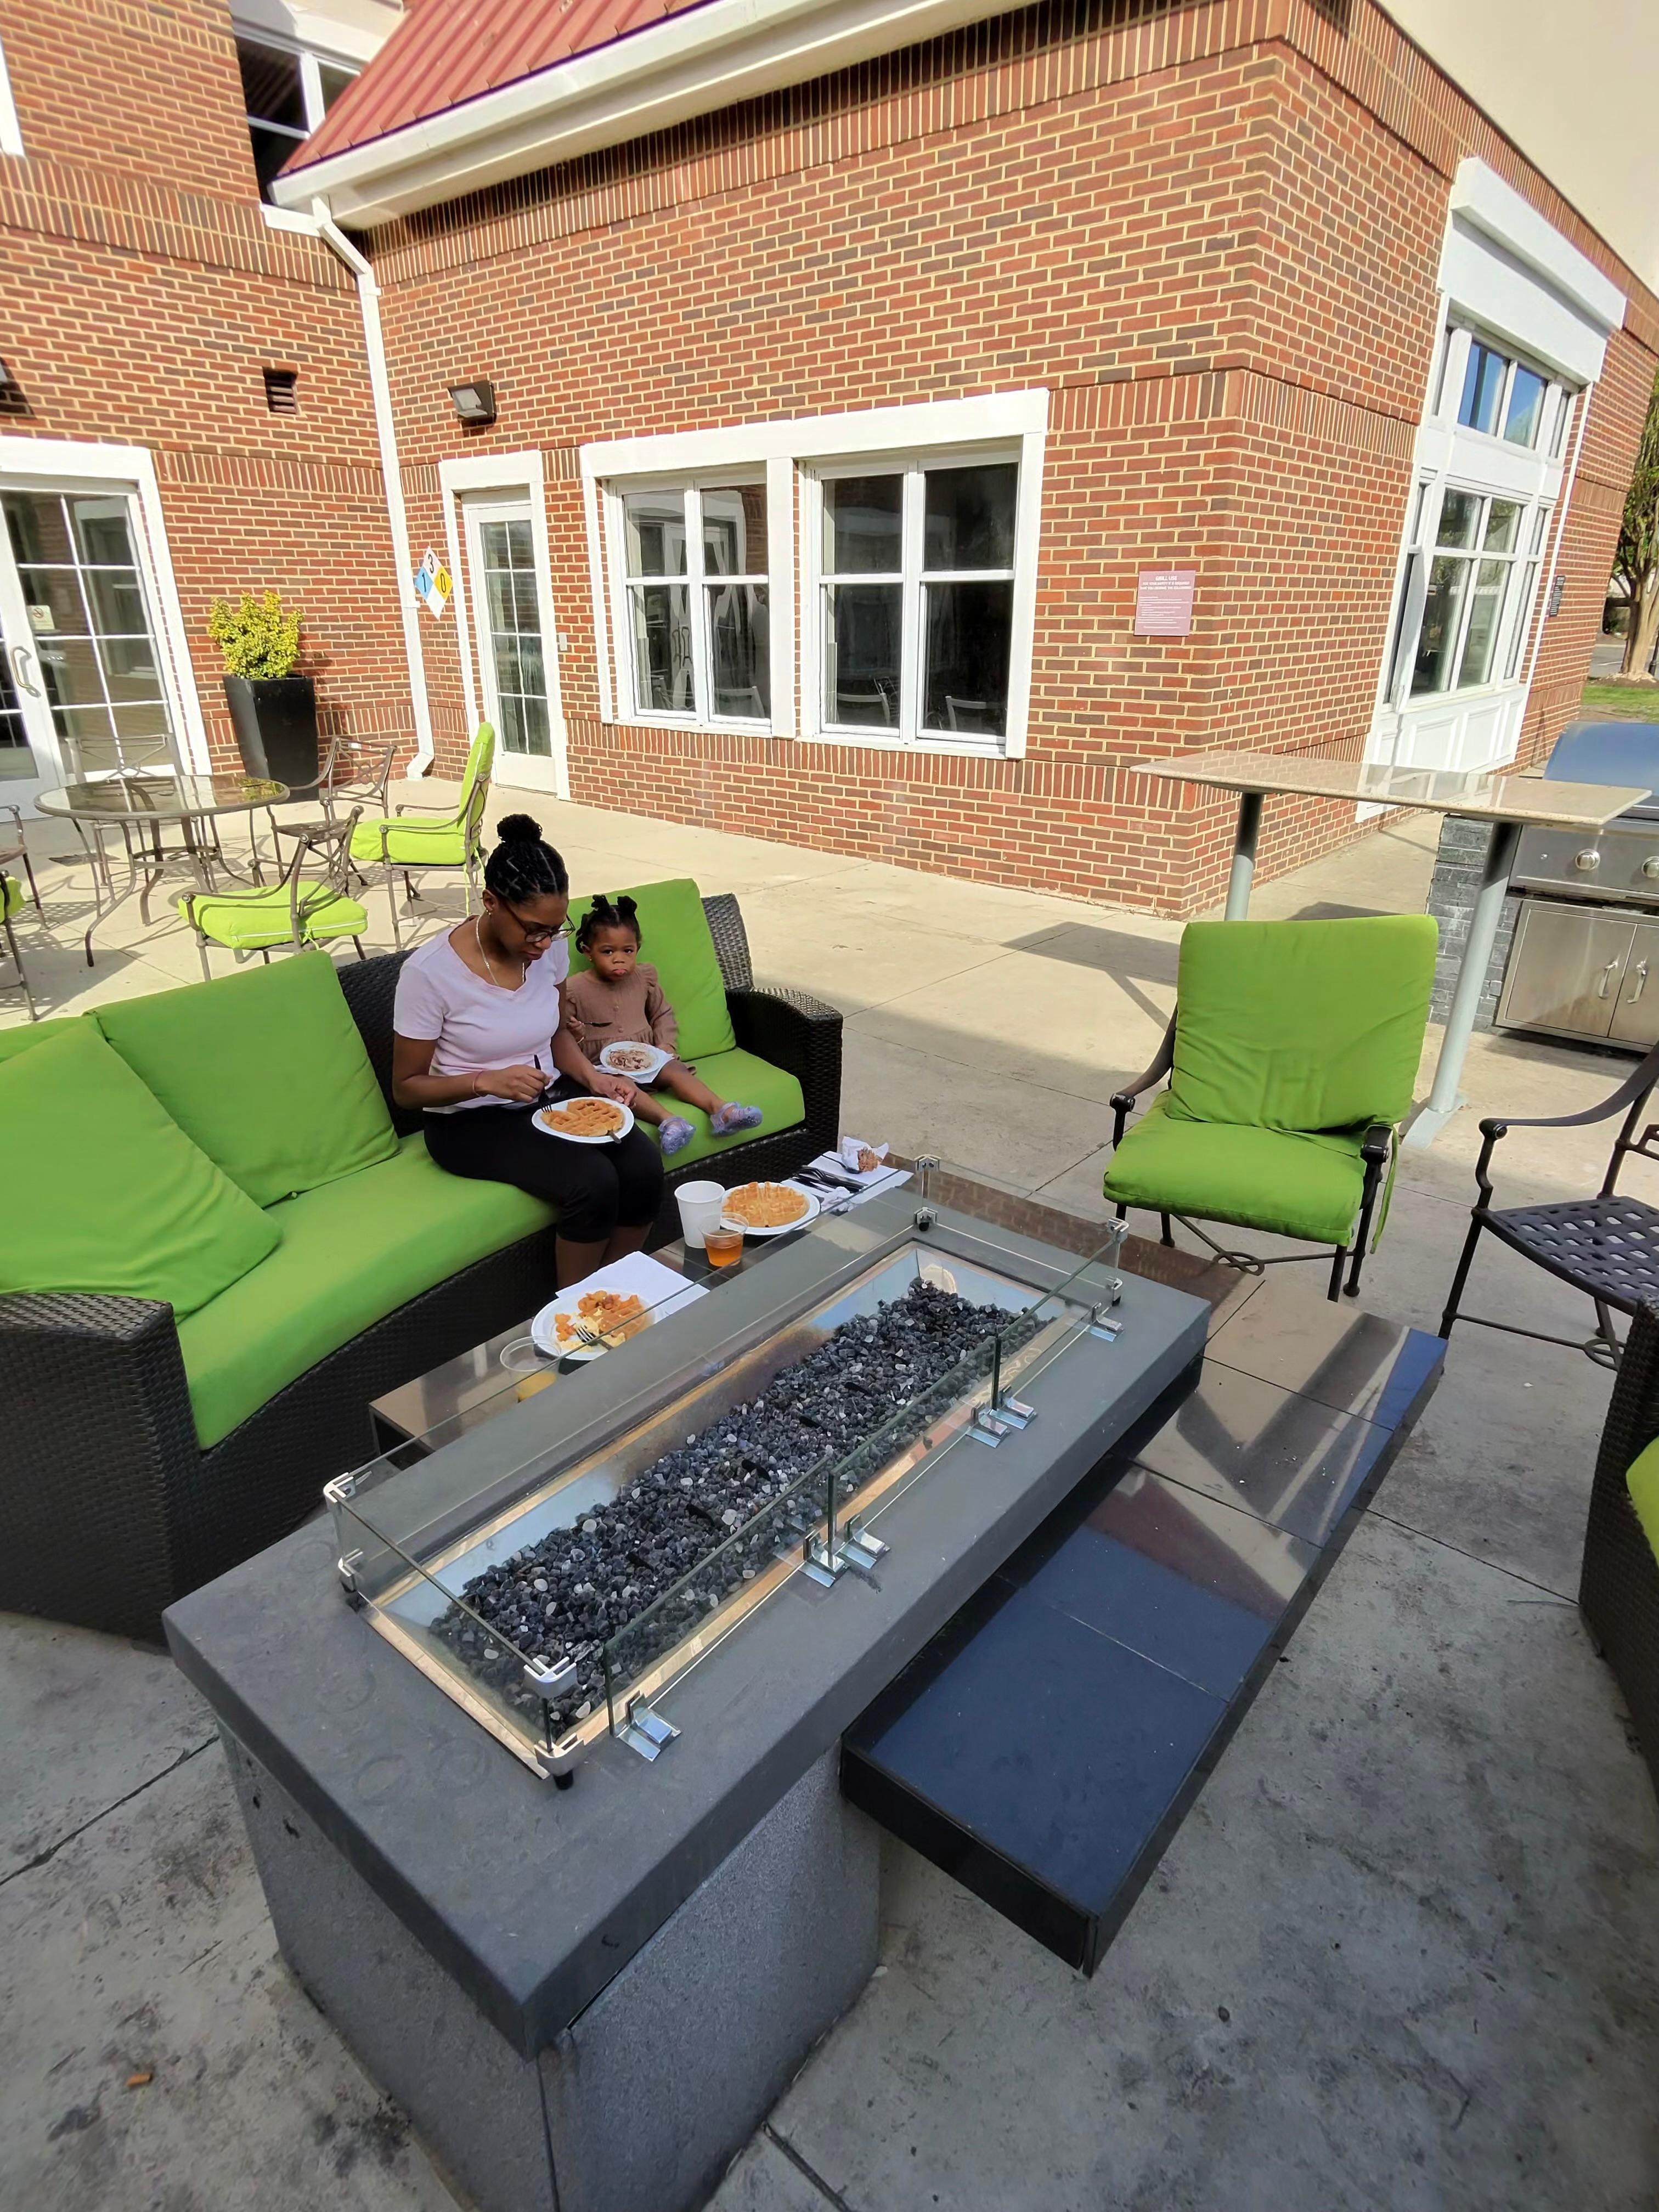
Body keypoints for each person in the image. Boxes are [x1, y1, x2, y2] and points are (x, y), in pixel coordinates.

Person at [391, 816, 664, 1289]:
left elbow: (557, 1032)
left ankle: (616, 1295)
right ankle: (573, 1315)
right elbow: (407, 1089)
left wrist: (592, 1077)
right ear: (491, 903)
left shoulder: (549, 950)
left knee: (642, 1166)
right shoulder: (430, 974)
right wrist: (484, 1081)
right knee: (592, 1183)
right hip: (469, 1121)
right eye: (534, 930)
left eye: (556, 930)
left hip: (550, 1098)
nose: (544, 944)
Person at [563, 893, 763, 1157]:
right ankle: (670, 1121)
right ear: (588, 952)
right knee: (623, 1087)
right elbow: (563, 1038)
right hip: (604, 1067)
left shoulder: (643, 977)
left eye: (628, 951)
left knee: (675, 1070)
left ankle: (722, 1110)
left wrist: (665, 1045)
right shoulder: (575, 990)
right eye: (607, 952)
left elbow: (662, 1013)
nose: (619, 959)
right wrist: (578, 1034)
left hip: (647, 1057)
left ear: (637, 948)